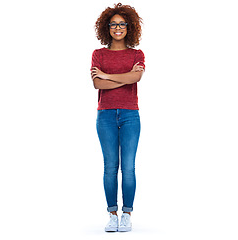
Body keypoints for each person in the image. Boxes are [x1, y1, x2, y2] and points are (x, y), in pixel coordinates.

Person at [90, 3, 145, 232]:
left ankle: (127, 214)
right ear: (107, 27)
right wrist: (126, 77)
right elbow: (97, 83)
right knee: (110, 167)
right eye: (113, 24)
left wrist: (108, 75)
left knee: (129, 167)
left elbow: (137, 79)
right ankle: (112, 213)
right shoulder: (98, 54)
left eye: (122, 24)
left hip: (130, 114)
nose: (118, 27)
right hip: (105, 115)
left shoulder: (137, 53)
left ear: (129, 26)